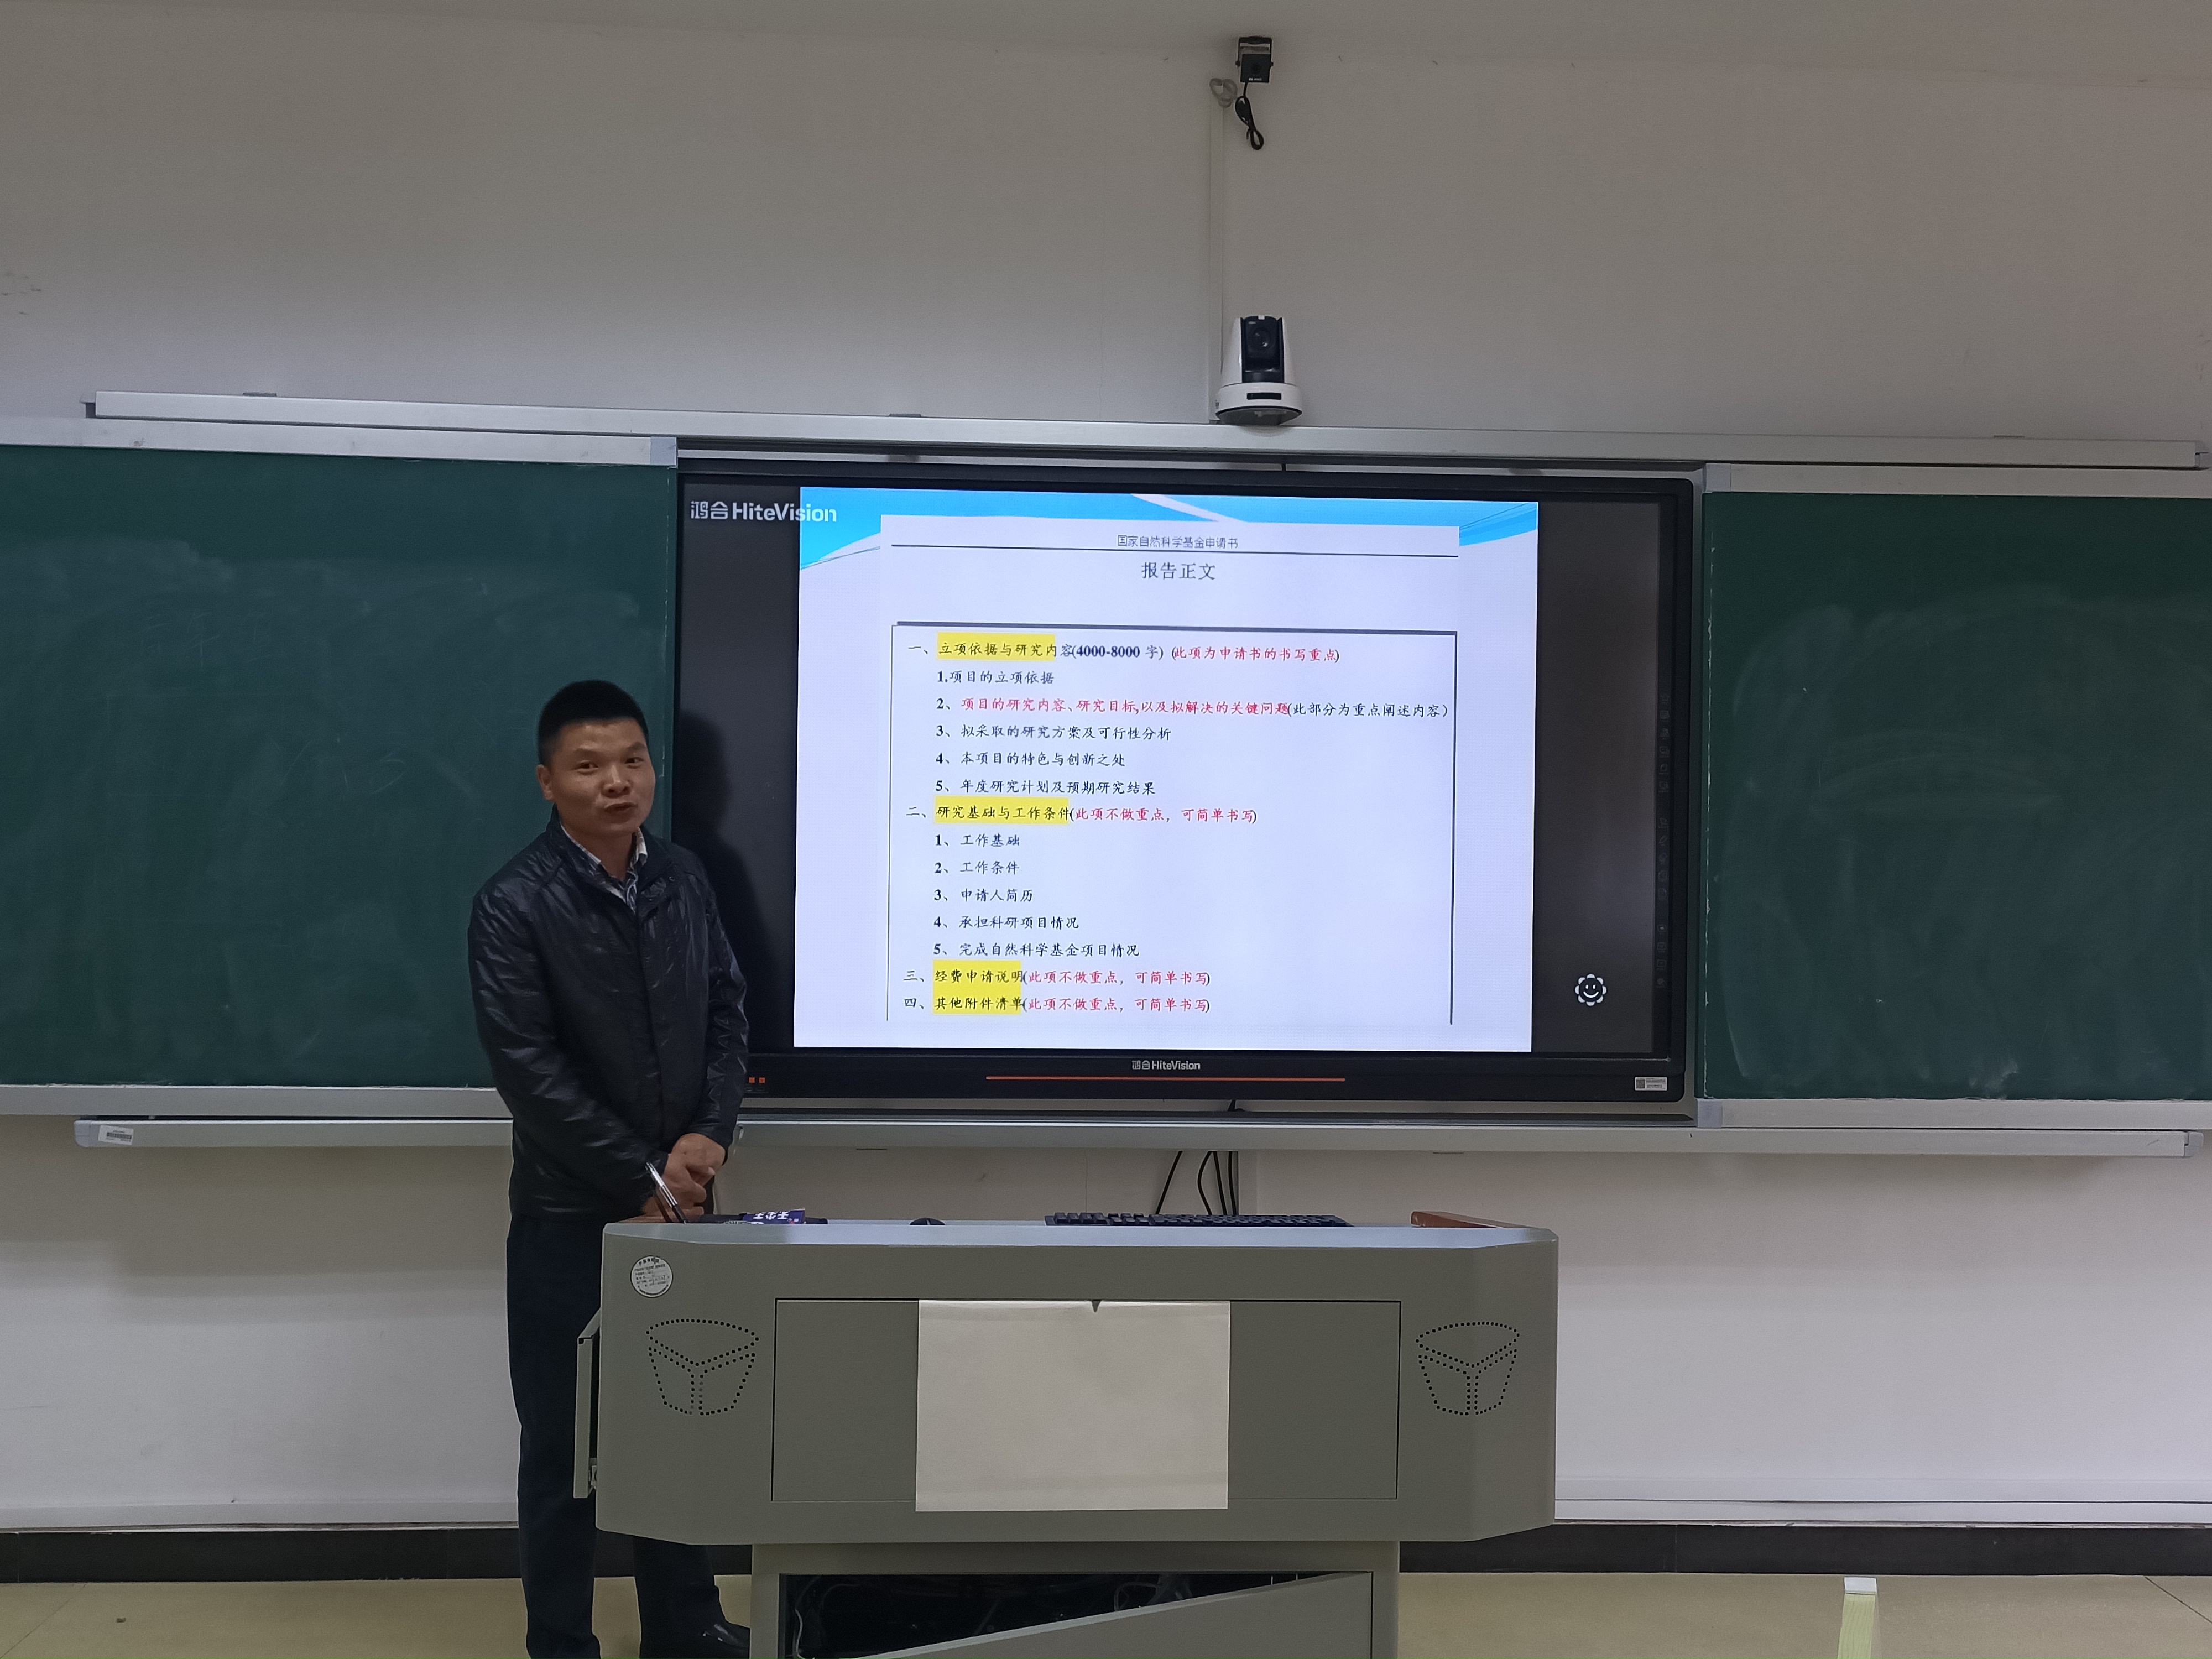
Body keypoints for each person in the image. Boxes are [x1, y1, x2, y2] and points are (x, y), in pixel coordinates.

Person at [469, 680, 750, 1659]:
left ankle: (687, 1627)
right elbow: (528, 1070)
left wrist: (710, 1135)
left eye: (632, 760)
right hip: (570, 1217)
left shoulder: (683, 877)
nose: (617, 782)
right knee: (563, 1447)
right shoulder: (513, 903)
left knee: (680, 1422)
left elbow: (726, 1009)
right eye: (589, 766)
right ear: (549, 782)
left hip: (683, 1209)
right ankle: (562, 1642)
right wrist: (642, 1175)